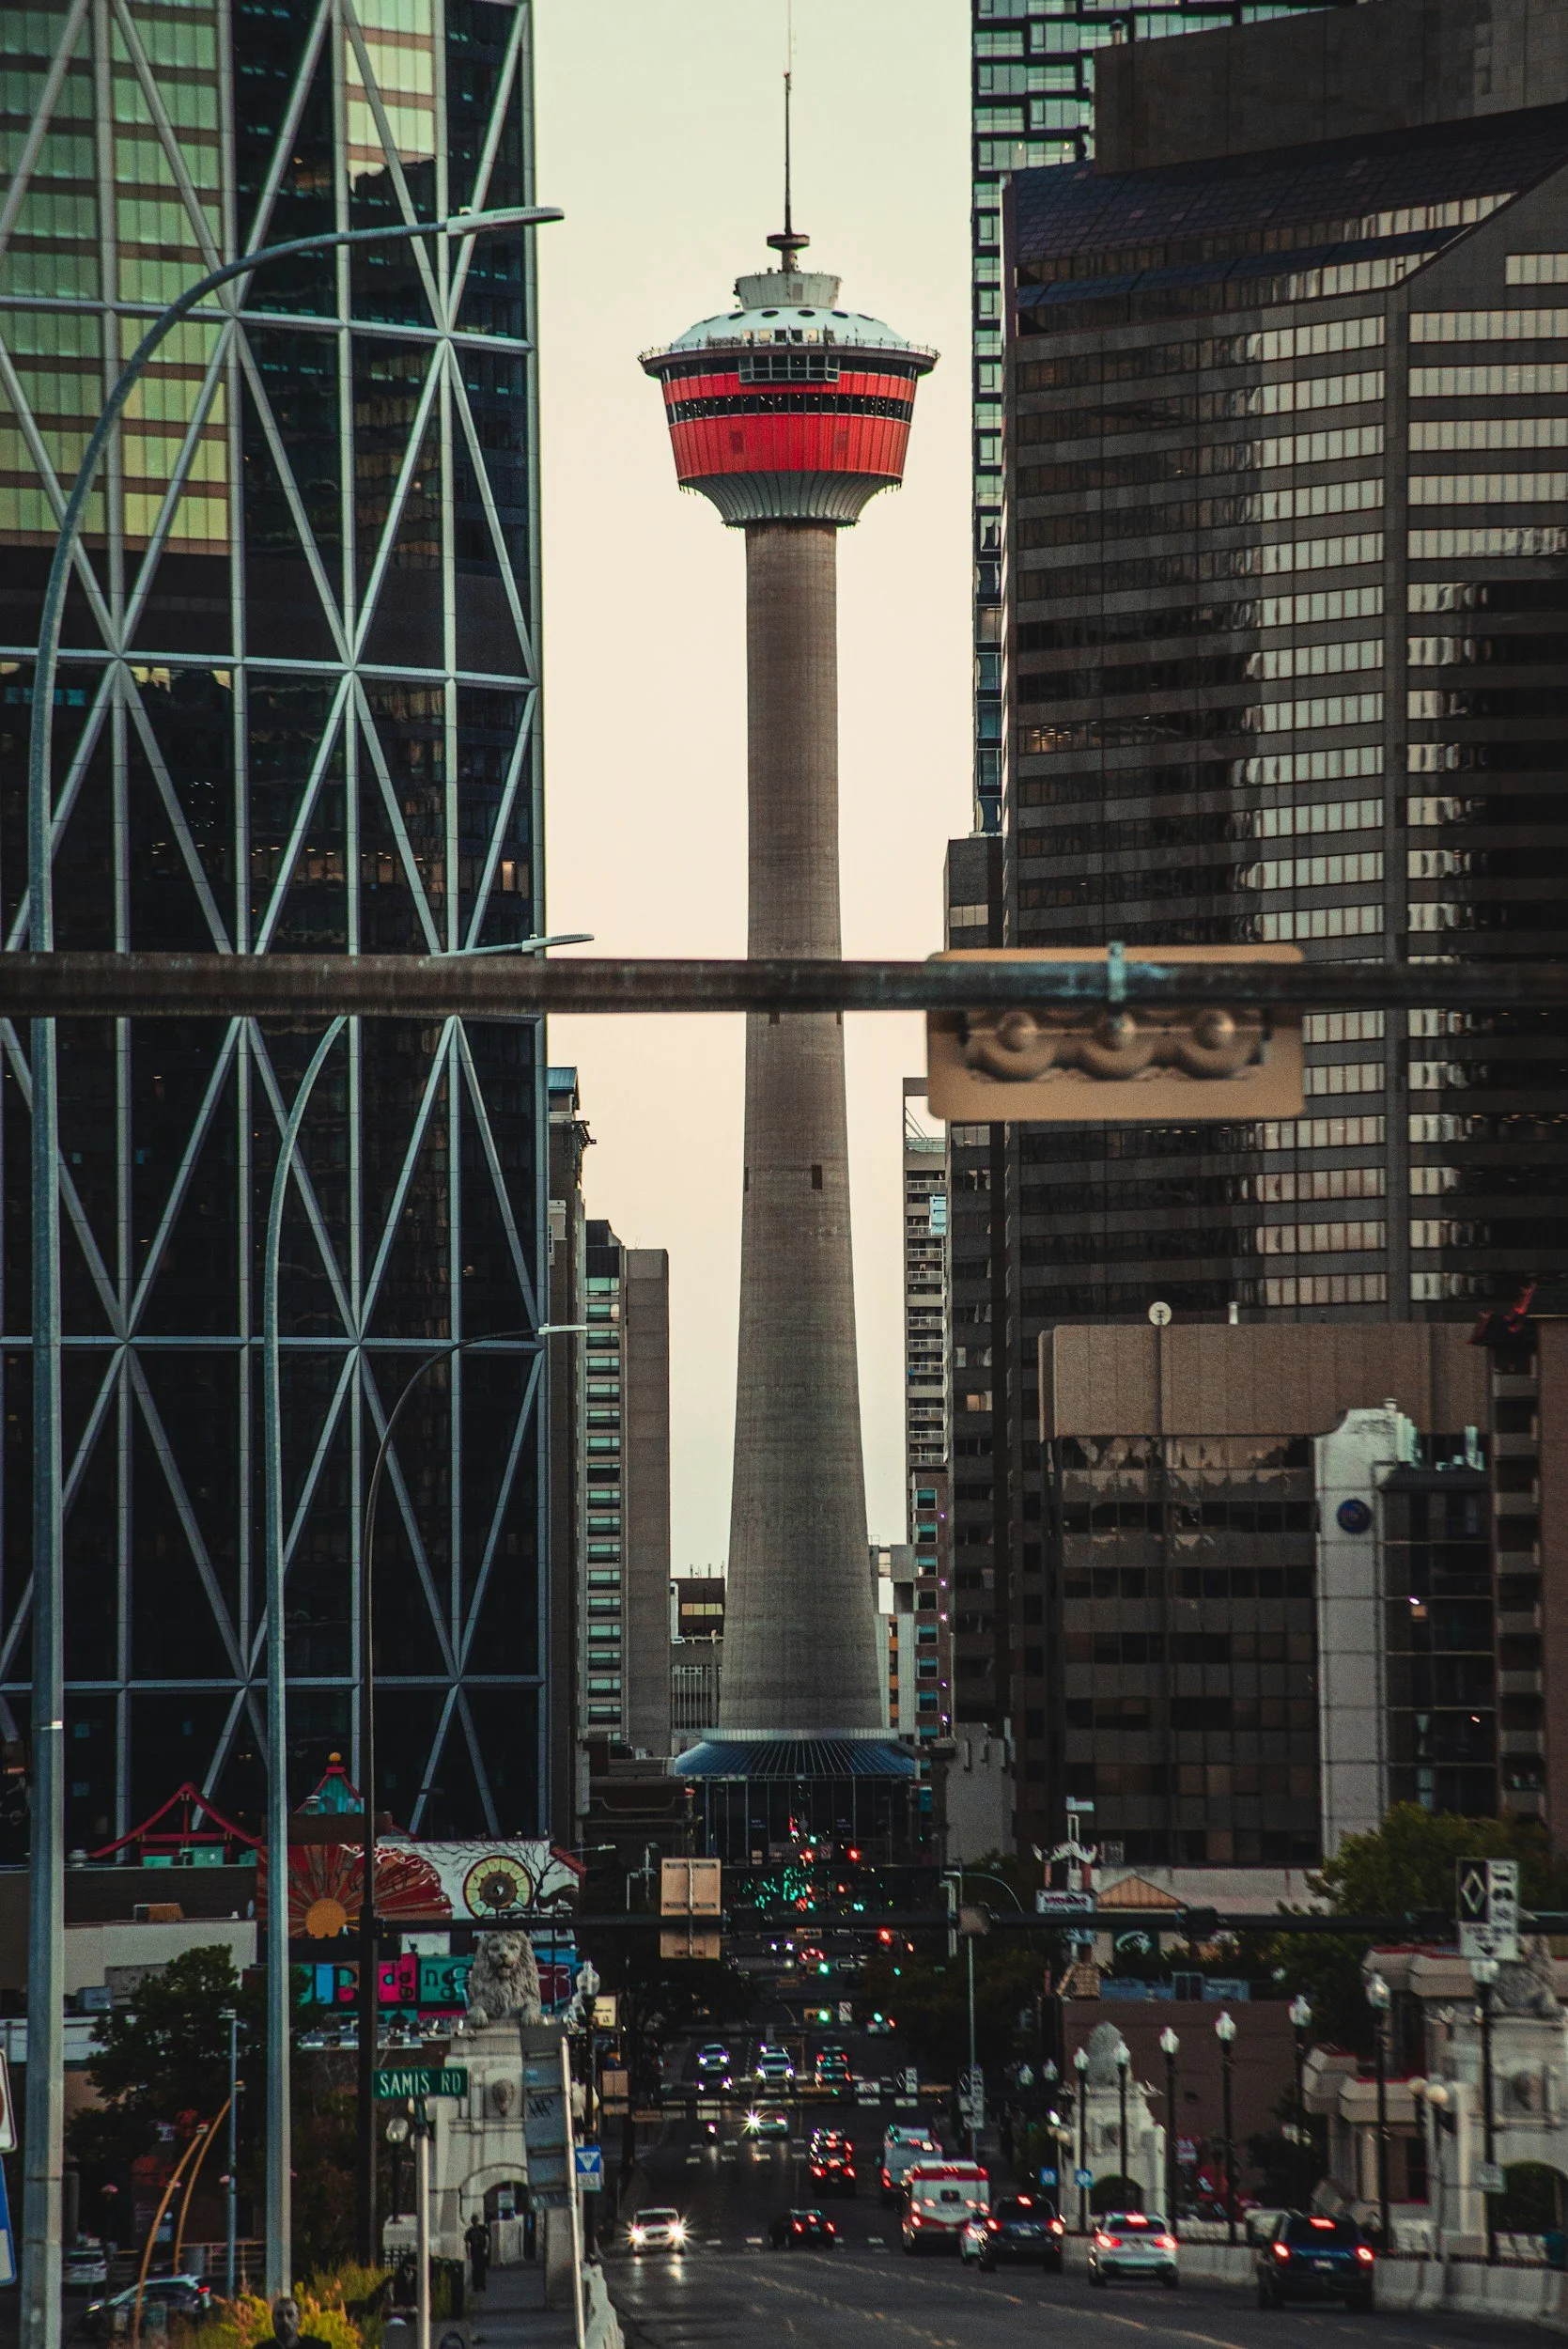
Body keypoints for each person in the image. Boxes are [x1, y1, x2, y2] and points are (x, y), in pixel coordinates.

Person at [264, 2298, 333, 2349]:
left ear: (299, 2319)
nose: (285, 2320)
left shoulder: (316, 2346)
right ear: (273, 2320)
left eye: (290, 2315)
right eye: (280, 2315)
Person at [464, 2214, 491, 2294]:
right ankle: (476, 2285)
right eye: (473, 2221)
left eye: (475, 2220)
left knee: (482, 2268)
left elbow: (488, 2238)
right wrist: (468, 2253)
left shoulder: (483, 2228)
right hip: (474, 2250)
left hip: (481, 2250)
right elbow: (467, 2242)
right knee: (475, 2268)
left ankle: (482, 2284)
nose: (475, 2222)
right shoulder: (470, 2231)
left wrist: (486, 2248)